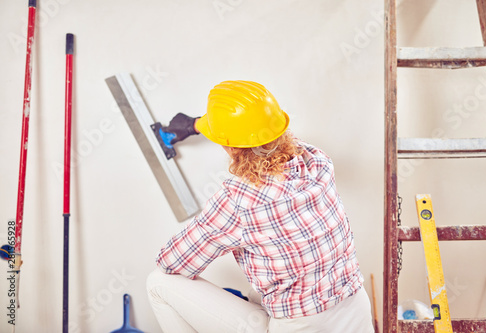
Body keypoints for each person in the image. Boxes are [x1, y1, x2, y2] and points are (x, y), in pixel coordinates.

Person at [146, 80, 374, 333]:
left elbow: (172, 263)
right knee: (255, 294)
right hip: (356, 314)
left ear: (229, 146)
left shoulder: (238, 200)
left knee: (157, 282)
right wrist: (197, 125)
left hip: (303, 327)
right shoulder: (315, 161)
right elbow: (263, 131)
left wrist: (202, 126)